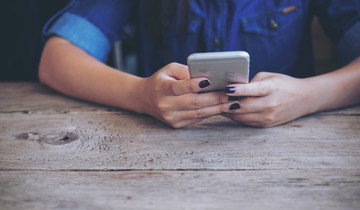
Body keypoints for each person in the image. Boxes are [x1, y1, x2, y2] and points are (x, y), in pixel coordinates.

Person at [39, 0, 360, 128]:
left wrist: (307, 96)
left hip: (293, 157)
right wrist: (139, 94)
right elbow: (57, 57)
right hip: (164, 156)